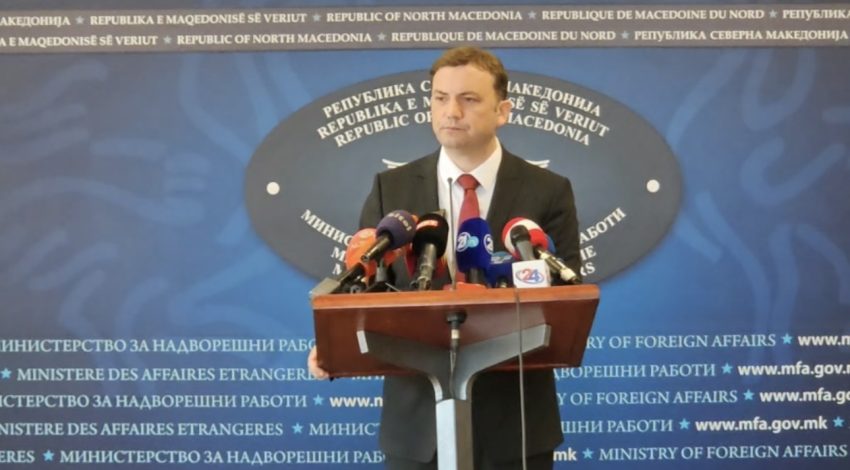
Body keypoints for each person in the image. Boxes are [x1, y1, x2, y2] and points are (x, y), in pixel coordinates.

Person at [309, 46, 581, 470]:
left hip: (515, 423)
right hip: (417, 427)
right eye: (440, 98)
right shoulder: (391, 189)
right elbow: (365, 283)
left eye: (468, 99)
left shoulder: (548, 190)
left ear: (503, 111)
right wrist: (334, 340)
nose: (451, 111)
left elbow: (566, 297)